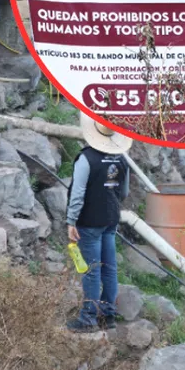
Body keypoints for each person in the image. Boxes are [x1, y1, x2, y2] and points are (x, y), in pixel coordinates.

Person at [65, 116, 133, 333]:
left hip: (89, 221)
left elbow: (78, 193)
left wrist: (71, 220)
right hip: (111, 219)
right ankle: (108, 314)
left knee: (91, 270)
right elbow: (124, 192)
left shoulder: (86, 158)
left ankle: (88, 319)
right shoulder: (121, 158)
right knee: (110, 268)